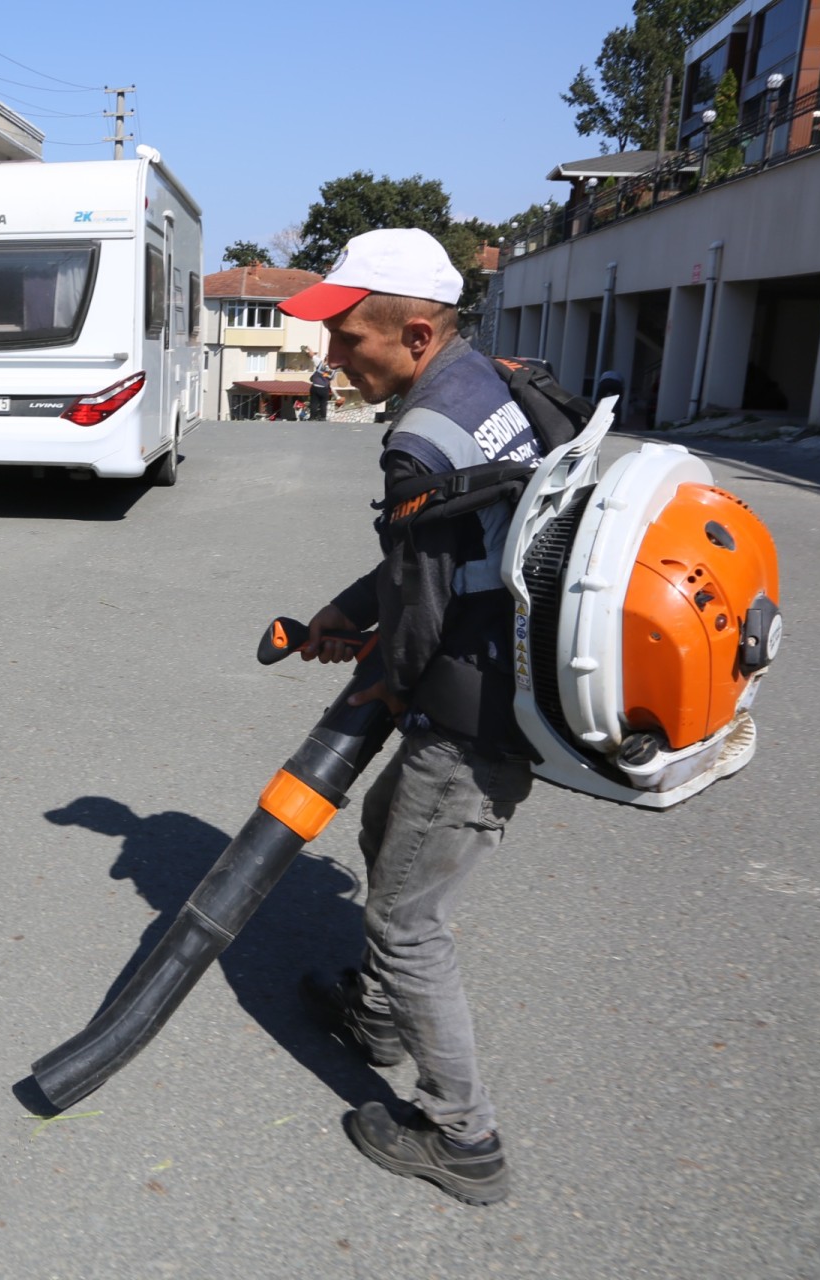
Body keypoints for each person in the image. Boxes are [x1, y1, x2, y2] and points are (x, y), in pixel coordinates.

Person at [276, 227, 541, 1207]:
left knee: (404, 919)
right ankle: (379, 1017)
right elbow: (440, 551)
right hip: (499, 666)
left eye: (349, 338)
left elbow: (423, 609)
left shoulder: (418, 436)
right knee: (388, 826)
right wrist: (356, 609)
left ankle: (463, 1134)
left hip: (476, 712)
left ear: (418, 334)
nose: (332, 356)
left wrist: (381, 670)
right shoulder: (489, 386)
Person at [308, 351, 336, 422]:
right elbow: (331, 378)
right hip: (324, 388)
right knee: (323, 403)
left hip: (315, 386)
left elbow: (312, 355)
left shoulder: (319, 362)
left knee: (314, 402)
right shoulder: (333, 368)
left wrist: (308, 348)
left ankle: (312, 417)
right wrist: (325, 374)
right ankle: (323, 417)